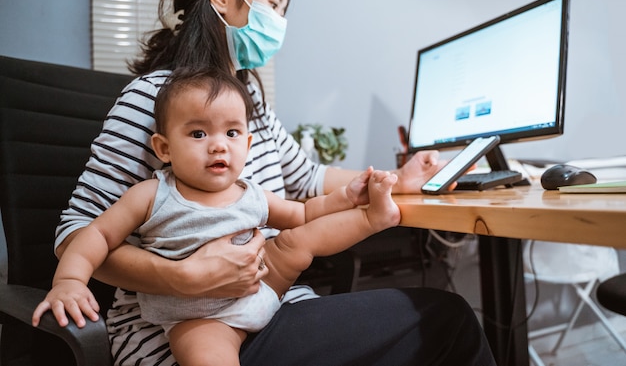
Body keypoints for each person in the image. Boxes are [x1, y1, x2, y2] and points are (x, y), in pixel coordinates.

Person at [52, 0, 497, 365]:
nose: (280, 21)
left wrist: (397, 180)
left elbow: (310, 179)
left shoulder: (249, 107)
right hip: (174, 330)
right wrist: (185, 278)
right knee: (448, 321)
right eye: (275, 4)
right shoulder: (151, 98)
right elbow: (77, 233)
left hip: (268, 301)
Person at [33, 69, 401, 366]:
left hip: (264, 284)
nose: (218, 144)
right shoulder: (151, 194)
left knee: (297, 241)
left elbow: (304, 212)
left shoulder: (251, 192)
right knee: (207, 356)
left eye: (231, 132)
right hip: (199, 315)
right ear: (163, 147)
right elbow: (96, 235)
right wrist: (69, 280)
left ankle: (373, 219)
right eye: (197, 133)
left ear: (247, 144)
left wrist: (347, 197)